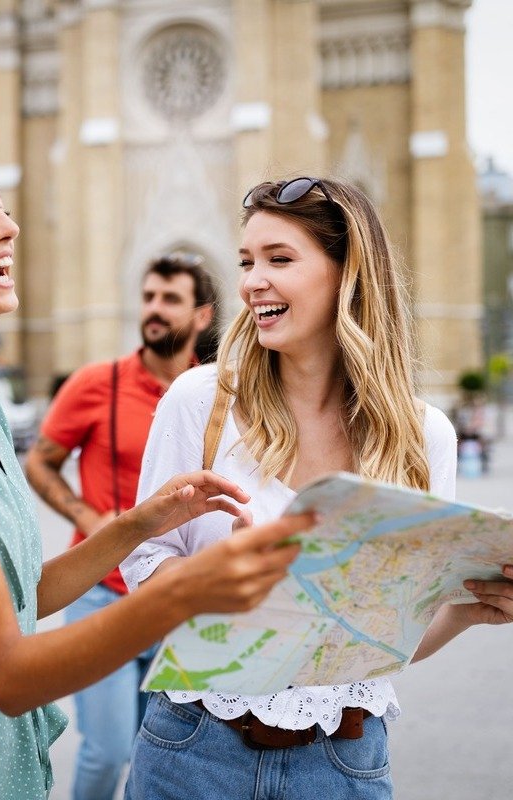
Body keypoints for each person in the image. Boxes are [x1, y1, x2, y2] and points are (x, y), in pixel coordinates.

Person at [0, 139, 316, 800]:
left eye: (2, 208)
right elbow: (7, 670)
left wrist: (138, 525)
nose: (9, 227)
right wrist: (184, 592)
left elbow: (20, 600)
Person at [120, 176, 513, 800]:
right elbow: (143, 559)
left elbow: (385, 643)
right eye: (247, 261)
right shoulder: (199, 401)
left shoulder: (424, 436)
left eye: (279, 259)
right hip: (195, 750)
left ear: (347, 276)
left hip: (344, 763)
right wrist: (222, 583)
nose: (251, 281)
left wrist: (469, 611)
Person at [24, 252, 215, 800]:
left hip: (176, 598)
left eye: (171, 299)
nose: (155, 310)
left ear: (202, 315)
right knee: (108, 751)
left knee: (164, 757)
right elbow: (40, 460)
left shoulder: (217, 394)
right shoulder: (95, 383)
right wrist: (86, 516)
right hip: (101, 595)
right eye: (149, 296)